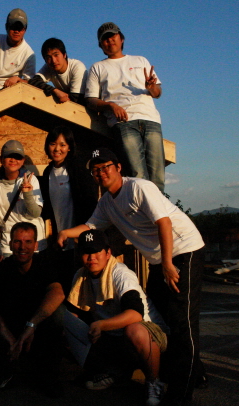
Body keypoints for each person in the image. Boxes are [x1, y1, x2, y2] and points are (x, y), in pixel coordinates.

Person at [57, 147, 206, 406]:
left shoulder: (138, 188)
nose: (101, 173)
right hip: (160, 259)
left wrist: (168, 264)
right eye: (96, 170)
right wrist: (66, 233)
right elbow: (91, 226)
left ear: (118, 167)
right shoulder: (107, 202)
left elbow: (164, 222)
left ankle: (181, 392)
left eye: (105, 167)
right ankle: (196, 373)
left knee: (182, 320)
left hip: (183, 250)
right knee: (164, 320)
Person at [64, 229, 168, 406]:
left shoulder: (120, 273)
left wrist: (102, 325)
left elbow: (135, 314)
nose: (91, 257)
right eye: (86, 252)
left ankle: (154, 381)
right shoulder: (81, 276)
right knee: (63, 320)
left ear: (108, 253)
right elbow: (74, 313)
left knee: (134, 330)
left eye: (96, 251)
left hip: (148, 333)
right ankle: (113, 372)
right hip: (113, 337)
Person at [0, 222, 65, 397]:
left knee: (58, 314)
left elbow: (57, 293)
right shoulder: (3, 267)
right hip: (9, 327)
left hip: (36, 327)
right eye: (17, 242)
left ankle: (48, 376)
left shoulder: (44, 265)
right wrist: (3, 329)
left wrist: (32, 326)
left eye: (28, 242)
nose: (23, 247)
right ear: (10, 244)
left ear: (36, 245)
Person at [85, 22, 166, 193]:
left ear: (121, 38)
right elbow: (91, 100)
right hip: (123, 122)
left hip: (150, 118)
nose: (110, 41)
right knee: (138, 174)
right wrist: (111, 106)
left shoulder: (140, 60)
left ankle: (157, 209)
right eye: (105, 39)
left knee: (158, 175)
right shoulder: (97, 67)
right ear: (101, 45)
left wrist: (152, 87)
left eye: (113, 36)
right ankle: (142, 209)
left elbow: (157, 93)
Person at [39, 126, 98, 293]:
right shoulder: (47, 172)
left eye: (62, 145)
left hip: (79, 240)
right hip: (60, 242)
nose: (57, 149)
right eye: (53, 144)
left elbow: (90, 202)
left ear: (70, 147)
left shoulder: (77, 168)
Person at [0, 139, 46, 258]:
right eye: (9, 156)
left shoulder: (31, 180)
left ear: (23, 160)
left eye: (17, 157)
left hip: (33, 245)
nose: (13, 160)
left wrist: (27, 194)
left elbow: (35, 213)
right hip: (9, 245)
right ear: (1, 159)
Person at [28, 38, 87, 104]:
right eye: (48, 57)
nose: (53, 61)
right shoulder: (49, 67)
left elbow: (76, 99)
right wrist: (54, 90)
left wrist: (59, 96)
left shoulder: (77, 67)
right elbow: (34, 81)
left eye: (56, 55)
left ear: (64, 55)